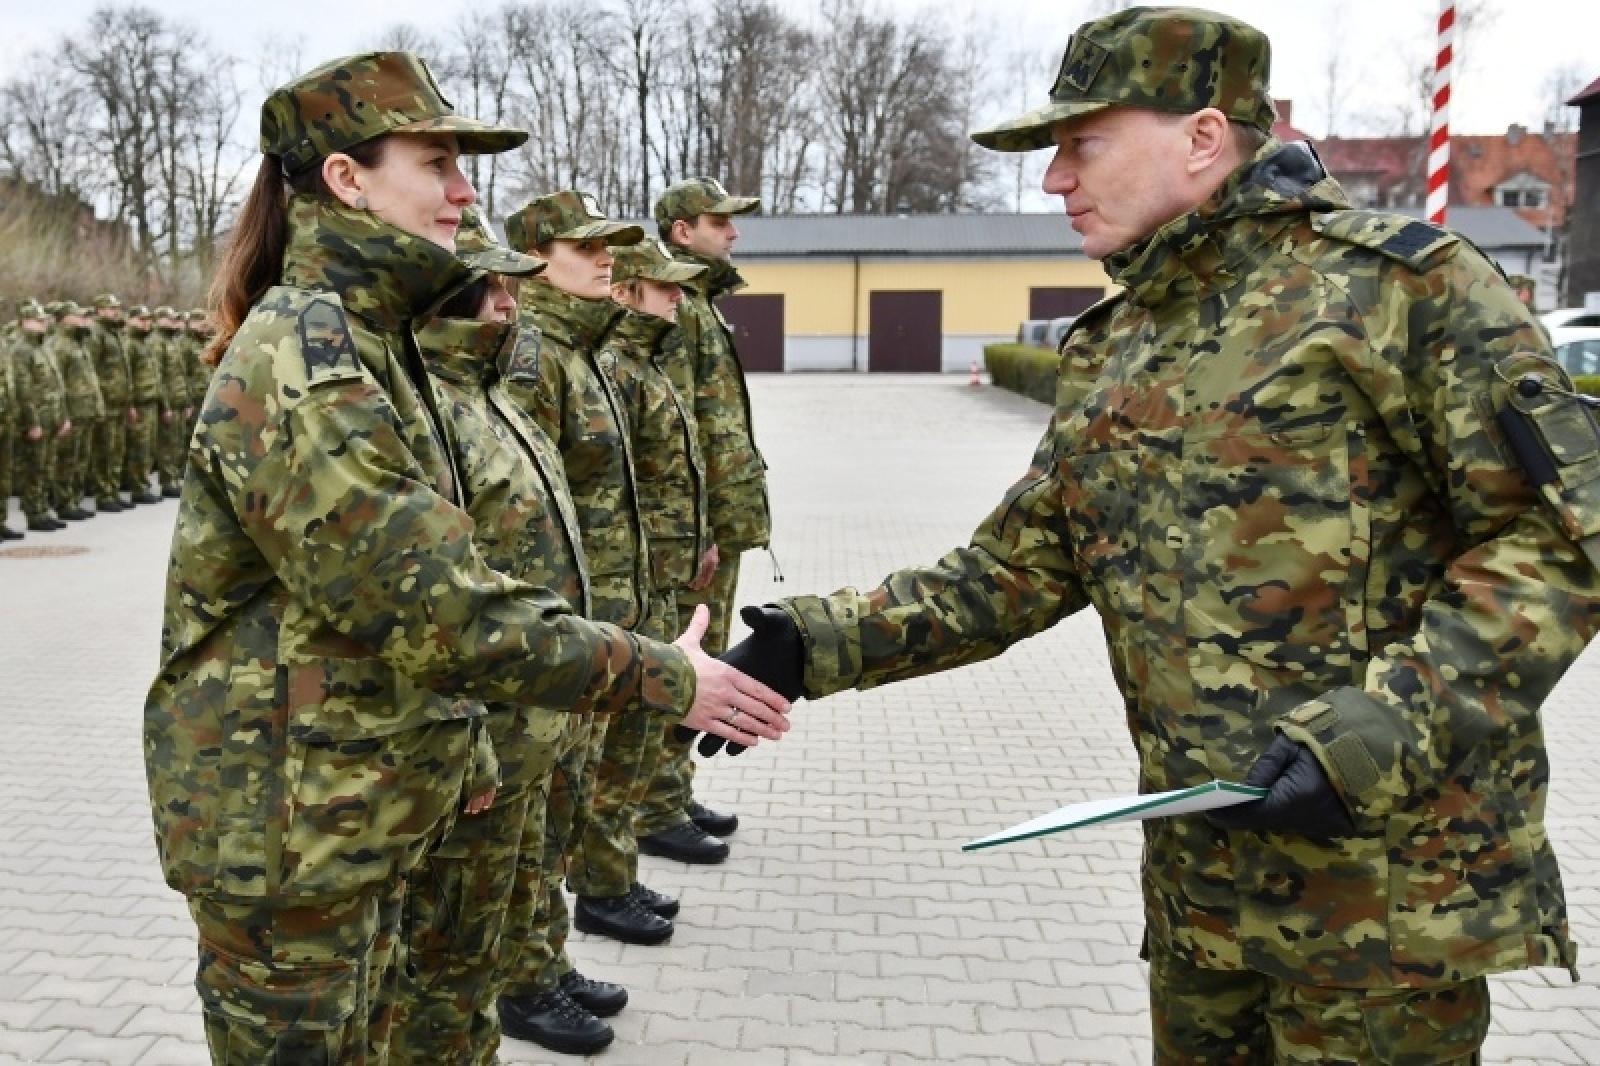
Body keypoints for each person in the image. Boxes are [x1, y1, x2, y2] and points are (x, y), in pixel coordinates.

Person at [717, 8, 1600, 1062]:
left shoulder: (1403, 290)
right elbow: (1015, 566)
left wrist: (1385, 724)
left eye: (1079, 144)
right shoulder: (1120, 341)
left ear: (1201, 135)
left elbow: (1553, 541)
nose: (1053, 180)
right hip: (1206, 889)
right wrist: (809, 644)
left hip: (1388, 908)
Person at [144, 51, 788, 1066]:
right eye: (436, 162)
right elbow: (441, 610)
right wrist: (666, 674)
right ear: (347, 180)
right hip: (289, 840)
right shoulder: (303, 354)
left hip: (365, 810)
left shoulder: (373, 341)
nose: (464, 191)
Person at [387, 207, 582, 1065]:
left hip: (533, 715)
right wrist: (471, 744)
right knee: (448, 956)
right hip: (483, 737)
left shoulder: (492, 395)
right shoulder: (427, 411)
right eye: (491, 288)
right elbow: (434, 602)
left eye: (511, 287)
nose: (509, 307)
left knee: (490, 931)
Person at [496, 189, 654, 1056]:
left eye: (610, 246)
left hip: (593, 620)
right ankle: (523, 981)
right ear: (534, 255)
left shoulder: (583, 348)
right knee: (535, 818)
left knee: (565, 806)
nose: (605, 258)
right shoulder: (533, 356)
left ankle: (546, 960)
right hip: (550, 629)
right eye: (584, 245)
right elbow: (513, 514)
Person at [566, 236, 710, 946]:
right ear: (629, 293)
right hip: (598, 596)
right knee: (594, 760)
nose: (677, 297)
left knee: (625, 748)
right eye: (664, 286)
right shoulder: (599, 366)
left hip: (642, 581)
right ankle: (599, 883)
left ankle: (610, 877)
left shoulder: (632, 362)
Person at [637, 175, 767, 864]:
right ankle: (654, 808)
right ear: (682, 231)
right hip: (698, 527)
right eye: (720, 221)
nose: (734, 232)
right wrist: (698, 529)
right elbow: (677, 426)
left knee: (703, 658)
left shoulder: (704, 304)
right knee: (685, 657)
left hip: (719, 516)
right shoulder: (680, 306)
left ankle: (673, 788)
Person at [8, 301, 67, 532]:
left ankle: (42, 508)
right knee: (34, 466)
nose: (43, 324)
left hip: (52, 416)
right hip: (37, 419)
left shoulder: (44, 346)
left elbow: (57, 386)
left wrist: (63, 417)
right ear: (25, 322)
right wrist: (31, 422)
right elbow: (24, 390)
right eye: (38, 320)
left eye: (44, 321)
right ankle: (33, 512)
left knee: (47, 466)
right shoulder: (21, 350)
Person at [45, 301, 102, 521]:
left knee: (80, 459)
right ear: (63, 318)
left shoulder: (78, 342)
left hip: (84, 410)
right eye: (75, 315)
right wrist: (63, 415)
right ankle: (63, 502)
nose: (80, 319)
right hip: (72, 411)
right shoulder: (60, 345)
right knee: (66, 460)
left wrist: (96, 407)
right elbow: (56, 385)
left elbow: (89, 379)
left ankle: (74, 499)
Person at [85, 294, 134, 513]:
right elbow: (92, 369)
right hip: (106, 401)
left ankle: (113, 490)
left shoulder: (114, 333)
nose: (115, 311)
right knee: (104, 450)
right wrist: (98, 402)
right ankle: (104, 494)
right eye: (110, 308)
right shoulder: (96, 334)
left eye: (116, 307)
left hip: (119, 402)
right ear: (98, 310)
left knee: (116, 449)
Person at [122, 305, 163, 505]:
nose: (146, 323)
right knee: (139, 447)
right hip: (139, 403)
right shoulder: (129, 344)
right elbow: (126, 376)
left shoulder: (144, 343)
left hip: (150, 401)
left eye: (148, 319)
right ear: (130, 320)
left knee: (148, 447)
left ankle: (143, 484)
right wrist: (130, 404)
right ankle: (138, 487)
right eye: (141, 319)